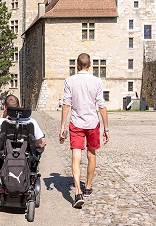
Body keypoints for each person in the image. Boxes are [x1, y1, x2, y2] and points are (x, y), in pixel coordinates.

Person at [59, 53, 109, 208]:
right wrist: (106, 128)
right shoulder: (97, 81)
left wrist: (62, 127)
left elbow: (66, 105)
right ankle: (87, 187)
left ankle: (78, 192)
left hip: (76, 123)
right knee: (91, 154)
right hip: (93, 123)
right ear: (91, 65)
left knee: (76, 156)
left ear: (77, 64)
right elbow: (101, 106)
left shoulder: (70, 80)